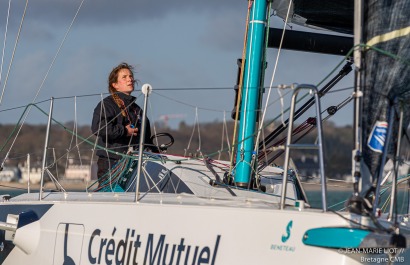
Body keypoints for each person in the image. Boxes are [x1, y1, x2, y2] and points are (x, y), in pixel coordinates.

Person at [91, 62, 156, 186]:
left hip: (134, 163)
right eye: (124, 77)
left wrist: (156, 153)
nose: (130, 79)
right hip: (111, 162)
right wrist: (124, 131)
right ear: (115, 85)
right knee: (111, 197)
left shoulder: (137, 109)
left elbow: (146, 138)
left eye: (131, 76)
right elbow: (98, 128)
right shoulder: (107, 104)